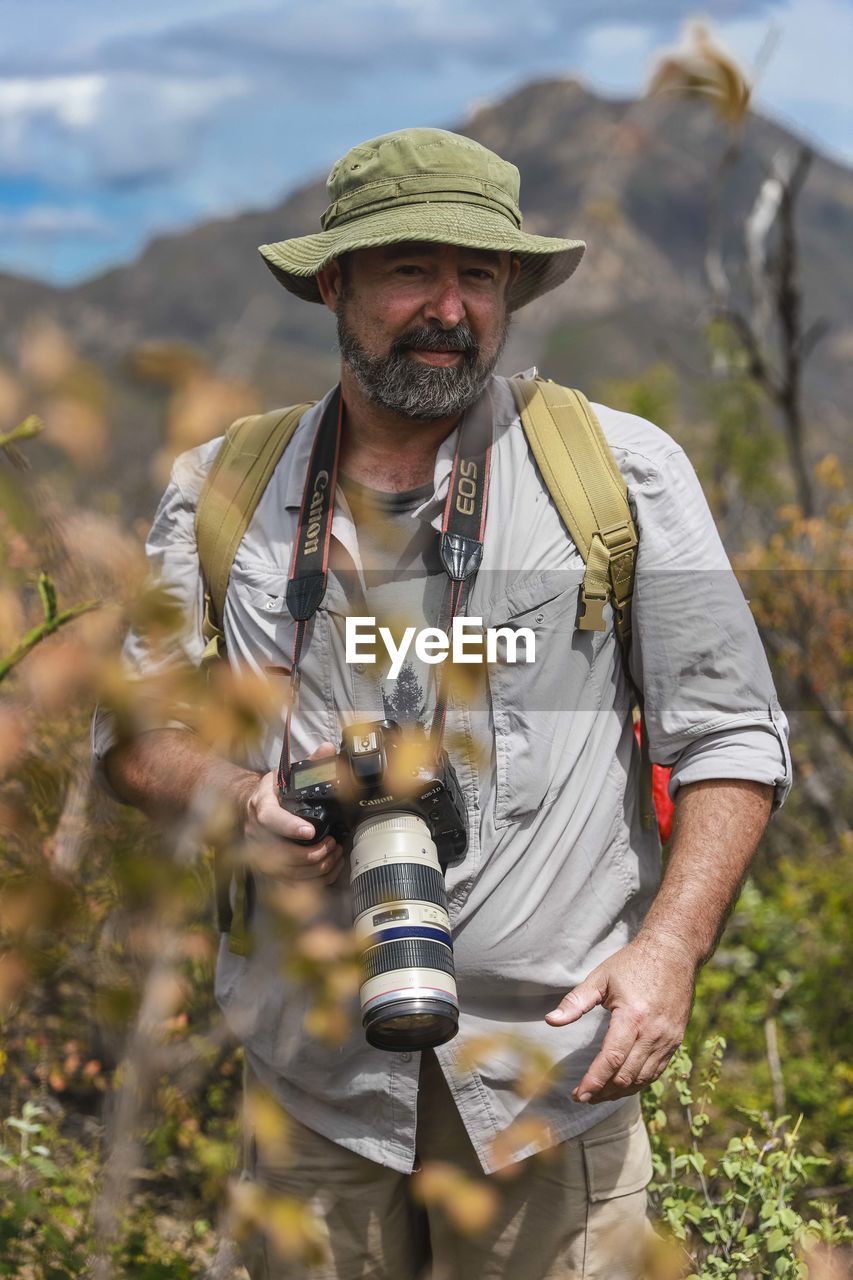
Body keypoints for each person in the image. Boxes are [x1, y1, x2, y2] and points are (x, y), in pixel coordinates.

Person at [93, 128, 791, 1279]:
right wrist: (240, 793)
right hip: (311, 1089)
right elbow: (136, 740)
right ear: (335, 282)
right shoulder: (224, 489)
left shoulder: (619, 471)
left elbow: (731, 732)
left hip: (550, 1078)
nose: (450, 307)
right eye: (410, 270)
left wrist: (667, 953)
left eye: (478, 274)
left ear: (511, 285)